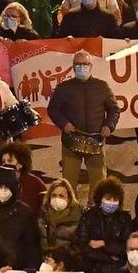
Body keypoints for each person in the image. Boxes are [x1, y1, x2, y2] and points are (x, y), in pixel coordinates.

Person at [47, 50, 119, 187]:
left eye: (85, 64)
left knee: (100, 184)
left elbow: (114, 109)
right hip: (71, 141)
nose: (81, 67)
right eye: (78, 64)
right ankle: (69, 208)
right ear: (73, 67)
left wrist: (109, 125)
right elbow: (53, 109)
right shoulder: (63, 88)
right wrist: (64, 124)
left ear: (91, 66)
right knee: (68, 183)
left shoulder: (102, 86)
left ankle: (95, 207)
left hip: (95, 141)